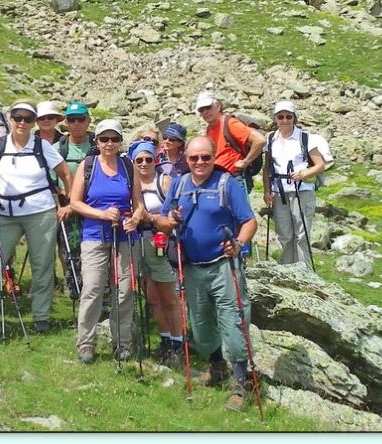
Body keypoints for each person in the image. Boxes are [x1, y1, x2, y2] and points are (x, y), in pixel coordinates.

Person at [155, 137, 257, 411]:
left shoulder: (227, 184)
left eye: (205, 157)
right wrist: (169, 220)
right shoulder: (179, 184)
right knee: (200, 326)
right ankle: (216, 366)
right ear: (186, 159)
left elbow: (249, 221)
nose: (199, 162)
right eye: (194, 158)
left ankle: (241, 382)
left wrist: (239, 243)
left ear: (214, 158)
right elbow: (162, 221)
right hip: (192, 267)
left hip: (224, 266)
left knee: (233, 322)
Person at [0, 102, 73, 334]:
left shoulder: (41, 146)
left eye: (28, 118)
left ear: (34, 121)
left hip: (40, 212)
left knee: (42, 264)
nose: (22, 122)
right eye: (18, 117)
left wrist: (69, 202)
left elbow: (65, 173)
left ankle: (41, 316)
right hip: (5, 212)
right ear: (10, 118)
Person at [70, 119, 143, 364]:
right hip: (94, 235)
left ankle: (122, 342)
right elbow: (75, 203)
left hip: (124, 235)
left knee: (124, 290)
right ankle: (86, 343)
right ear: (97, 141)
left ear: (120, 142)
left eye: (114, 139)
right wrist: (101, 214)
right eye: (104, 139)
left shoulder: (128, 166)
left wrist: (134, 219)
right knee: (93, 288)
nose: (109, 143)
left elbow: (138, 204)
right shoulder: (88, 165)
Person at [126, 139, 184, 366]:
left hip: (161, 243)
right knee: (152, 298)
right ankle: (166, 339)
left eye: (148, 159)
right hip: (137, 243)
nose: (143, 164)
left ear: (155, 160)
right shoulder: (129, 184)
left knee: (168, 297)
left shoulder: (164, 181)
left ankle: (178, 343)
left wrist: (150, 218)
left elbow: (175, 214)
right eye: (139, 160)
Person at [262, 101, 325, 269]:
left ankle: (305, 272)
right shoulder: (270, 139)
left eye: (288, 117)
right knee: (284, 234)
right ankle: (287, 271)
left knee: (302, 234)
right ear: (275, 118)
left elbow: (320, 165)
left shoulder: (305, 138)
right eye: (280, 117)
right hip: (279, 191)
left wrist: (304, 173)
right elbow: (267, 168)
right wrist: (267, 190)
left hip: (302, 190)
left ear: (294, 118)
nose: (284, 120)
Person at [54, 101, 95, 301]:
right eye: (72, 120)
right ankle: (73, 289)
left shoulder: (98, 145)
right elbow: (52, 181)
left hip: (94, 206)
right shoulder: (57, 149)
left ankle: (96, 290)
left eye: (80, 119)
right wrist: (67, 201)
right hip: (67, 207)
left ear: (88, 121)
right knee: (69, 250)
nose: (76, 124)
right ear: (66, 123)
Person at [195, 92, 265, 191]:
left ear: (218, 107)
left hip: (235, 178)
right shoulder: (210, 128)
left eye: (208, 108)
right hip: (219, 178)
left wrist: (245, 162)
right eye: (201, 110)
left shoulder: (230, 123)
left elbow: (260, 140)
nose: (205, 112)